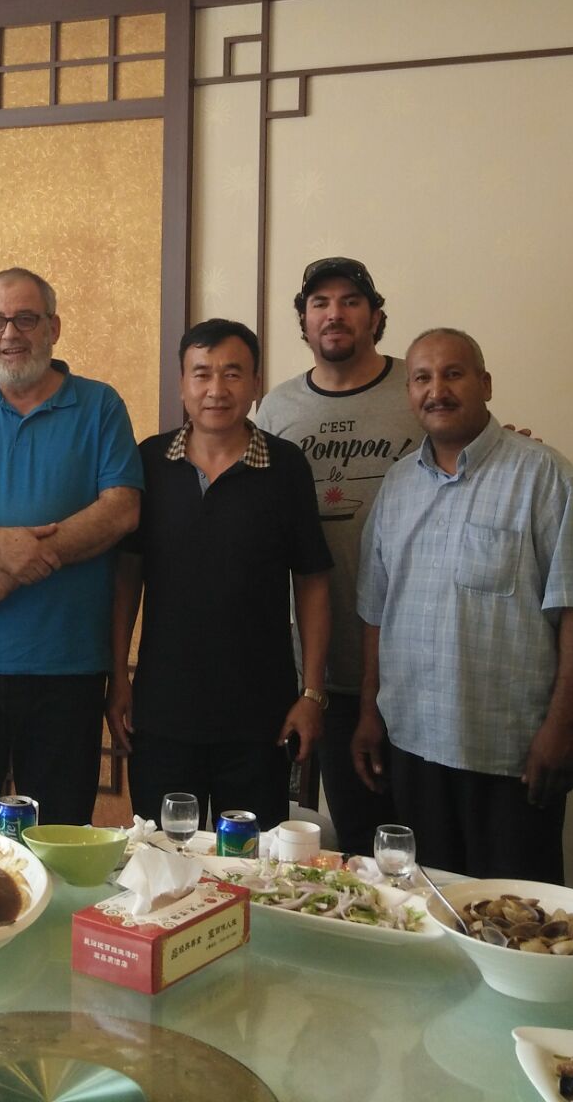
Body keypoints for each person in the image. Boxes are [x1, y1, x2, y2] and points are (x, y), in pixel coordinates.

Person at [353, 328, 573, 881]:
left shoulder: (544, 476)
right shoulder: (397, 486)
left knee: (516, 915)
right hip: (411, 744)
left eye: (453, 374)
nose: (437, 390)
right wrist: (369, 711)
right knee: (424, 907)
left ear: (485, 384)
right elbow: (376, 611)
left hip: (510, 755)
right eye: (422, 378)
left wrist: (562, 730)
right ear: (409, 393)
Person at [0, 267, 142, 824]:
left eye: (25, 319)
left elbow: (121, 511)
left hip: (66, 668)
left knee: (58, 837)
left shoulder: (100, 406)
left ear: (53, 328)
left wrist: (15, 566)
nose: (9, 334)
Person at [108, 318, 331, 831]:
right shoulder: (148, 461)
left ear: (255, 384)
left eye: (232, 374)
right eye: (201, 373)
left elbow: (313, 582)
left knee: (251, 862)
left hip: (261, 715)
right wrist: (118, 675)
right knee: (162, 855)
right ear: (181, 384)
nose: (216, 390)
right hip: (163, 710)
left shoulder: (285, 466)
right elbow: (126, 579)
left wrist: (312, 693)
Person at [254, 257, 422, 850]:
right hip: (325, 670)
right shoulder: (276, 409)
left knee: (433, 845)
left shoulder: (417, 389)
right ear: (303, 320)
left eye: (351, 301)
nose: (334, 314)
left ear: (375, 317)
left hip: (418, 662)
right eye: (319, 303)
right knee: (359, 842)